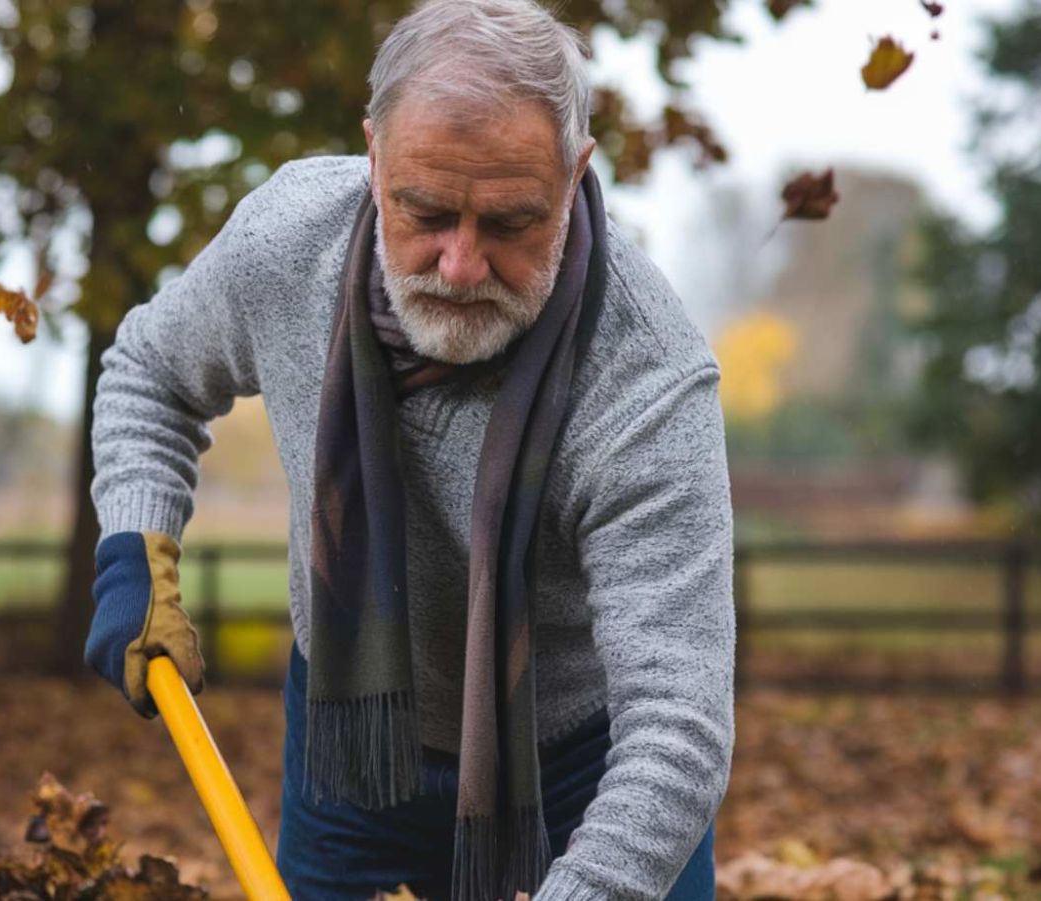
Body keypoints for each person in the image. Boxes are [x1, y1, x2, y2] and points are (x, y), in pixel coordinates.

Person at [83, 0, 736, 898]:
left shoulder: (645, 381)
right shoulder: (287, 247)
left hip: (588, 774)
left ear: (577, 170)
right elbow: (150, 372)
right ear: (374, 158)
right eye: (424, 212)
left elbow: (678, 725)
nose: (460, 265)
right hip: (354, 741)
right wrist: (134, 549)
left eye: (509, 223)